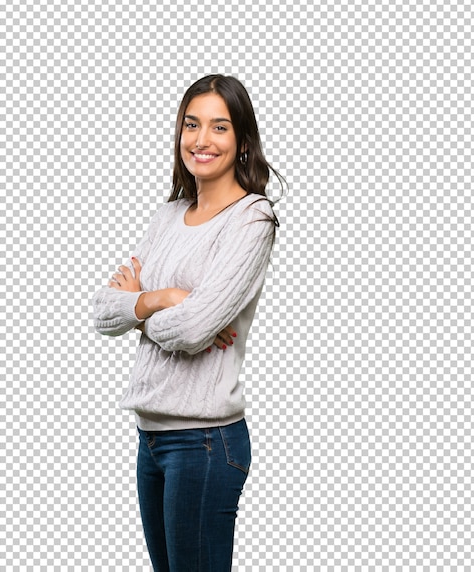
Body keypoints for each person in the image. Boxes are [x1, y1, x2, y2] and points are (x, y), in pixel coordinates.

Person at [92, 74, 285, 572]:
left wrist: (141, 307)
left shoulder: (252, 219)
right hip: (151, 436)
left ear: (242, 140)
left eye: (219, 127)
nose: (202, 140)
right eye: (191, 125)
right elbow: (101, 311)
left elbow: (194, 329)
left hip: (204, 441)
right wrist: (164, 298)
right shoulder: (168, 215)